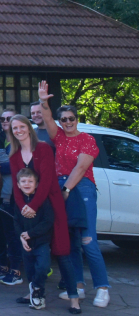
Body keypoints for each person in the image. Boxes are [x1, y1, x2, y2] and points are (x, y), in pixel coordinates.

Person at [38, 81, 110, 308]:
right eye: (64, 119)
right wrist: (43, 101)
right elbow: (47, 118)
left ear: (77, 119)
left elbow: (81, 168)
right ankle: (77, 286)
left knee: (89, 240)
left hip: (81, 187)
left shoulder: (87, 139)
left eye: (71, 118)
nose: (68, 122)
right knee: (71, 242)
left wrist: (66, 190)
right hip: (62, 187)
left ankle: (102, 288)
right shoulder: (58, 136)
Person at [7, 115, 81, 313]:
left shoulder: (43, 148)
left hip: (50, 206)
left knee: (62, 252)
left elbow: (47, 180)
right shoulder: (14, 154)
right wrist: (24, 206)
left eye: (22, 126)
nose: (18, 130)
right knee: (30, 255)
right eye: (14, 128)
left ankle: (74, 298)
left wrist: (34, 205)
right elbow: (16, 185)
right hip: (27, 209)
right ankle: (33, 291)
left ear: (29, 128)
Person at [0, 107, 23, 285]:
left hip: (13, 195)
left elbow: (19, 166)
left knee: (12, 233)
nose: (6, 121)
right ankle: (2, 266)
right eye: (3, 119)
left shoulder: (22, 141)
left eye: (10, 118)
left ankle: (16, 269)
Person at [13, 168, 54, 310]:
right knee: (29, 271)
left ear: (36, 184)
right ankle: (36, 295)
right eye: (23, 181)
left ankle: (37, 289)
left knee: (42, 267)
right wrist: (22, 238)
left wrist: (30, 233)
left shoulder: (43, 200)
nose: (27, 184)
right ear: (18, 184)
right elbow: (16, 222)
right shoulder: (18, 202)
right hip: (26, 244)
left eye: (30, 181)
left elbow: (48, 221)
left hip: (41, 242)